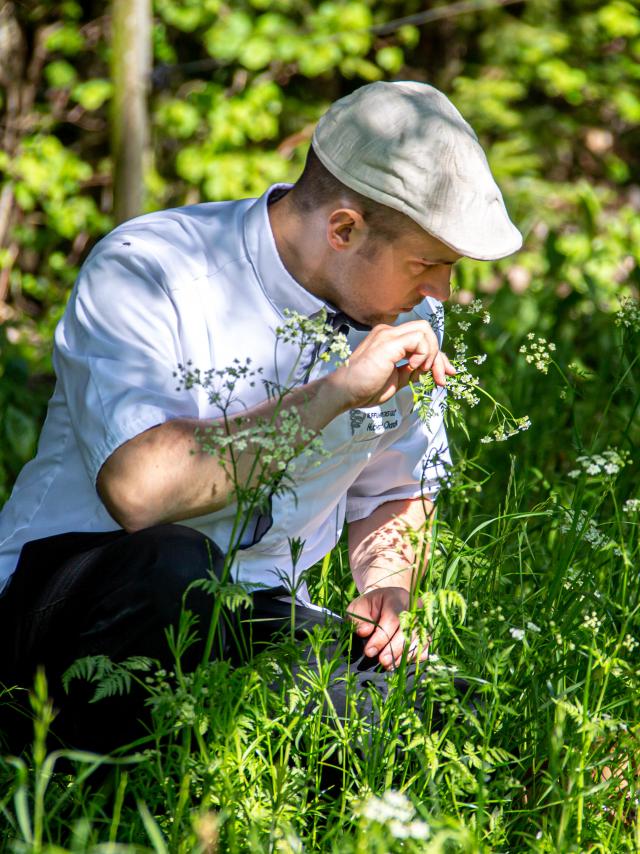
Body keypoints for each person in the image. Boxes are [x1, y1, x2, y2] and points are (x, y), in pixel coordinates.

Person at [0, 81, 522, 753]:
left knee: (445, 719)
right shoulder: (152, 267)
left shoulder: (409, 315)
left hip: (256, 616)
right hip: (68, 601)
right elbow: (138, 492)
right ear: (343, 229)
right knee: (177, 567)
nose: (441, 292)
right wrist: (332, 394)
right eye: (428, 264)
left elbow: (397, 489)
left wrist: (387, 588)